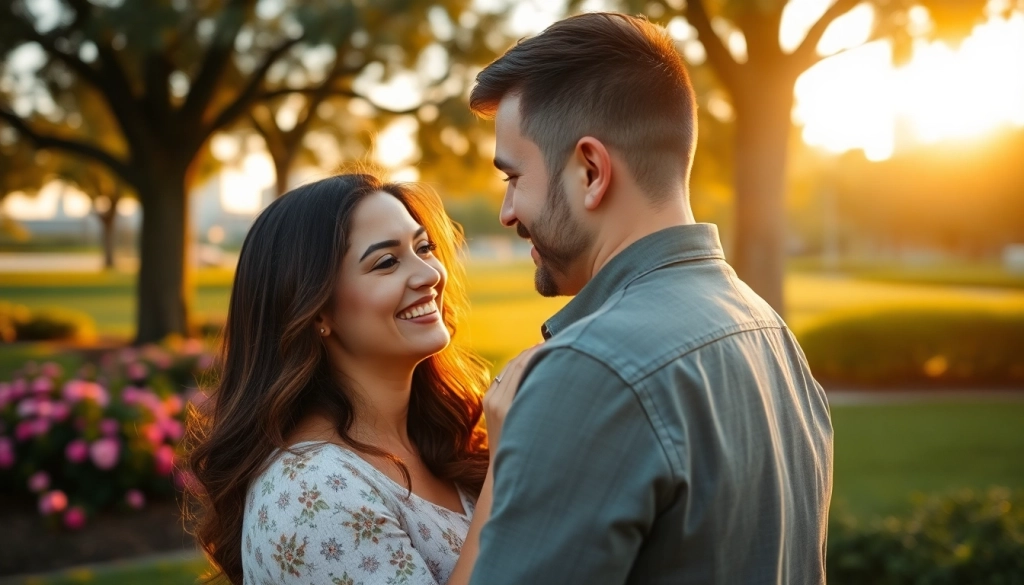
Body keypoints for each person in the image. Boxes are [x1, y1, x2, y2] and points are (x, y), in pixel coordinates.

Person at [466, 12, 834, 585]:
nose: (507, 212)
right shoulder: (768, 331)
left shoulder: (589, 373)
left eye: (513, 178)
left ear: (591, 170)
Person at [185, 172, 532, 585]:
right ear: (316, 311)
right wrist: (504, 473)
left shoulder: (437, 438)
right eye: (386, 262)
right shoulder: (311, 495)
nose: (430, 275)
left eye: (424, 247)